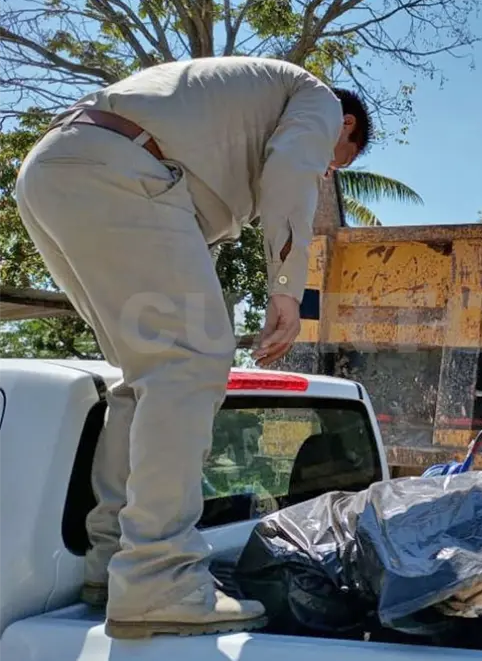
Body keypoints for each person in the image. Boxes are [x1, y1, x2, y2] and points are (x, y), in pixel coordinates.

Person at [14, 56, 372, 639]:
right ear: (346, 126)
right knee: (189, 364)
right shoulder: (319, 100)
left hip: (55, 173)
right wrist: (287, 290)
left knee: (145, 378)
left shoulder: (232, 107)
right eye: (336, 161)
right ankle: (159, 577)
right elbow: (291, 169)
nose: (326, 172)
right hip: (119, 172)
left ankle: (113, 562)